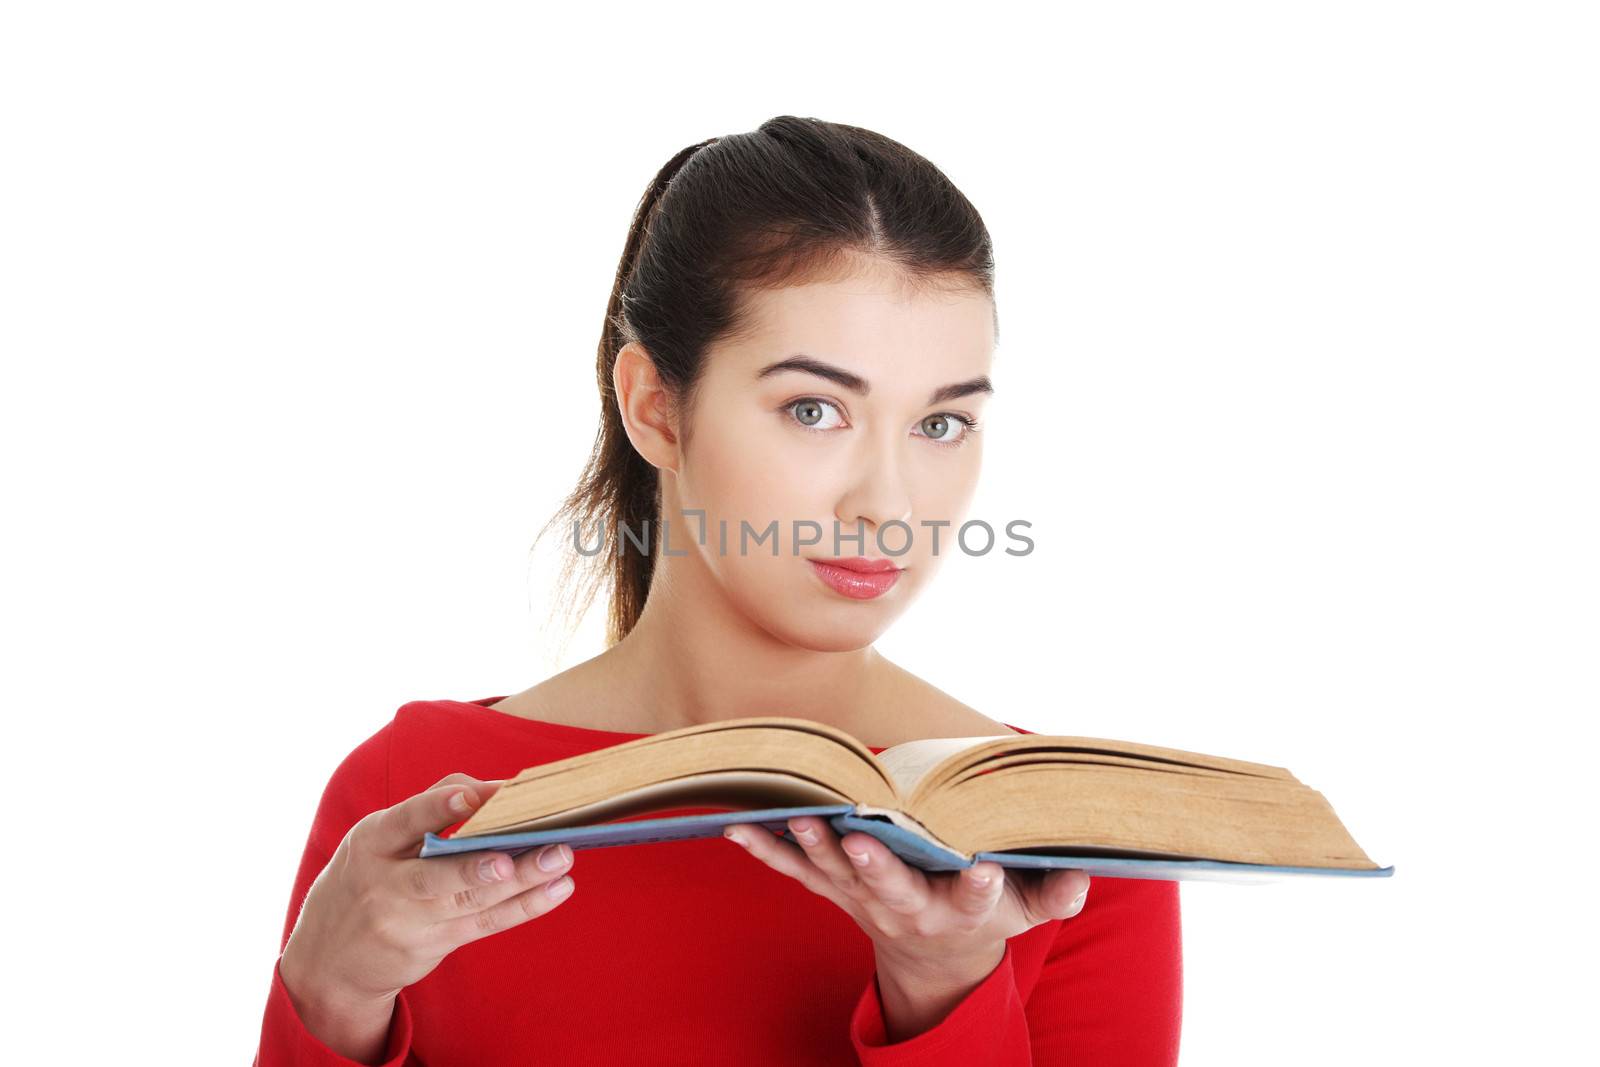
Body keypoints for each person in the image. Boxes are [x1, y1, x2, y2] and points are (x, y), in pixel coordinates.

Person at [252, 115, 1182, 1066]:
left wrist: (946, 992)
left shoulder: (1063, 839)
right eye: (814, 410)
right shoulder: (414, 798)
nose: (889, 504)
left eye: (942, 423)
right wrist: (327, 996)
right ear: (656, 405)